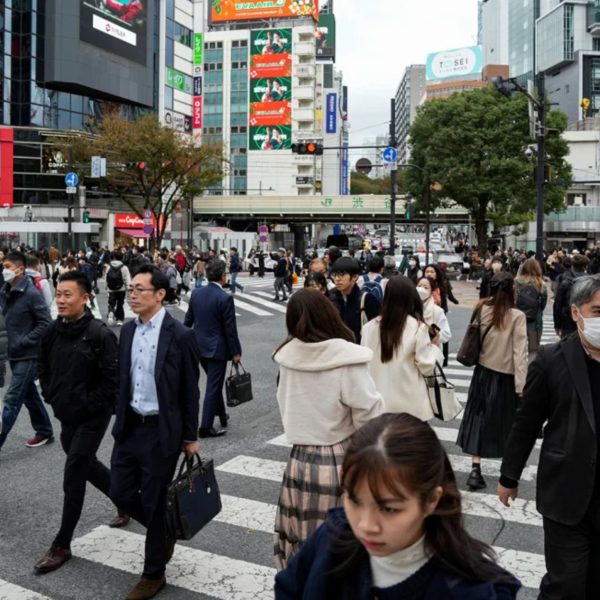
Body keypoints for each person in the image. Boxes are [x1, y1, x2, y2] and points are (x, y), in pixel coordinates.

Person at [275, 413, 521, 599]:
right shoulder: (334, 536)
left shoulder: (474, 591)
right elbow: (288, 588)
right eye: (355, 500)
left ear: (431, 500)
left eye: (389, 509)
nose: (366, 525)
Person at [498, 274, 600, 599]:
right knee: (565, 585)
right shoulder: (551, 360)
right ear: (576, 313)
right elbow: (526, 422)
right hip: (566, 494)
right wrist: (509, 476)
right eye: (597, 311)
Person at [272, 289, 382, 570]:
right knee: (339, 539)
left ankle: (305, 583)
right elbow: (370, 415)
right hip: (340, 455)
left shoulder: (287, 356)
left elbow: (285, 402)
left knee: (304, 537)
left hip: (299, 460)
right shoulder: (345, 357)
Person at [110, 265, 200, 600]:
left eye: (139, 289)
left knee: (153, 498)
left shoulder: (180, 335)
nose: (132, 295)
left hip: (162, 431)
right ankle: (164, 531)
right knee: (120, 491)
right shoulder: (128, 331)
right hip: (130, 426)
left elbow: (191, 390)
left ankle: (153, 573)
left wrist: (190, 437)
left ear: (160, 294)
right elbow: (123, 378)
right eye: (130, 289)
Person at [34, 271, 127, 575]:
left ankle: (62, 544)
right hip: (66, 414)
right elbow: (43, 366)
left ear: (85, 298)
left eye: (68, 295)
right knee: (87, 465)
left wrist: (88, 405)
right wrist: (51, 395)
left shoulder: (100, 334)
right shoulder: (52, 331)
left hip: (92, 416)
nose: (60, 300)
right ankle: (125, 500)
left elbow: (112, 381)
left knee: (74, 470)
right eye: (58, 294)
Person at [457, 273, 528, 491]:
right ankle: (507, 472)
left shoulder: (481, 308)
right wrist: (521, 386)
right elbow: (520, 354)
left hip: (482, 373)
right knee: (506, 424)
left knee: (478, 419)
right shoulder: (516, 316)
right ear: (511, 290)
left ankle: (475, 469)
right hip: (505, 376)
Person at [362, 275, 443, 420]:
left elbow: (364, 365)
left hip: (378, 403)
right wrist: (434, 347)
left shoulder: (369, 328)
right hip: (410, 405)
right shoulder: (418, 328)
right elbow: (428, 367)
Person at [0, 251, 53, 451]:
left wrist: (25, 341)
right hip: (13, 352)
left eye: (7, 267)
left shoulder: (31, 293)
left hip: (28, 354)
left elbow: (46, 323)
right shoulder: (5, 290)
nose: (4, 270)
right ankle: (45, 431)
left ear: (20, 269)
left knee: (12, 399)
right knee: (29, 394)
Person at [184, 259, 241, 438]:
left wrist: (183, 342)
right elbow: (230, 329)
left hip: (198, 346)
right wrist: (236, 352)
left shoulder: (196, 293)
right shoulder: (224, 298)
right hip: (217, 349)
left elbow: (188, 321)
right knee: (213, 386)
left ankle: (222, 415)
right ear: (223, 276)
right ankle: (205, 426)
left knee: (213, 383)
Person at [329, 257, 380, 344]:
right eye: (334, 275)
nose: (337, 279)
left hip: (360, 348)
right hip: (337, 349)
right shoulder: (330, 299)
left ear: (355, 277)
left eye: (342, 275)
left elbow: (377, 331)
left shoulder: (367, 300)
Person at [515, 258, 548, 361]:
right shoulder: (541, 284)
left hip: (517, 320)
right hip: (535, 322)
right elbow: (543, 305)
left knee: (517, 348)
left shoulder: (516, 282)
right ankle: (530, 369)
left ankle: (518, 369)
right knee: (533, 350)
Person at [553, 253, 589, 338]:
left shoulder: (565, 282)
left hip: (567, 320)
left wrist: (557, 325)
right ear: (585, 267)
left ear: (572, 266)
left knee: (567, 343)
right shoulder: (591, 282)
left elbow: (557, 305)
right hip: (586, 319)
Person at [417, 276, 452, 348]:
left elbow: (446, 334)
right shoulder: (409, 308)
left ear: (432, 292)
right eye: (419, 286)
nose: (421, 289)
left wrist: (432, 336)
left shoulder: (437, 311)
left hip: (429, 350)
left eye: (426, 287)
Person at [106, 250, 131, 326]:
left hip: (111, 289)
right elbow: (127, 279)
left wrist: (106, 287)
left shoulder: (108, 266)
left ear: (112, 257)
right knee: (120, 304)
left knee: (111, 303)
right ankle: (119, 319)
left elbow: (106, 278)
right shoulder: (124, 267)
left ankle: (111, 312)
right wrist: (129, 288)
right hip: (121, 289)